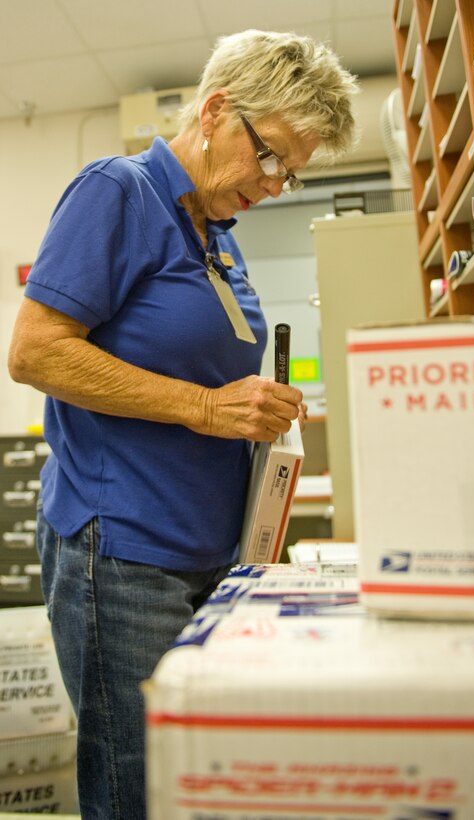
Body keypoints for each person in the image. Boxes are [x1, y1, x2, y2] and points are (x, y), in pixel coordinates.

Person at [8, 28, 358, 820]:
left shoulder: (216, 239)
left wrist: (258, 414)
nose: (275, 184)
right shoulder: (118, 192)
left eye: (292, 173)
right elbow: (35, 354)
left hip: (208, 554)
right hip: (125, 554)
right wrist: (207, 407)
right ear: (217, 109)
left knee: (199, 787)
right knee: (141, 791)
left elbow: (206, 375)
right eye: (270, 158)